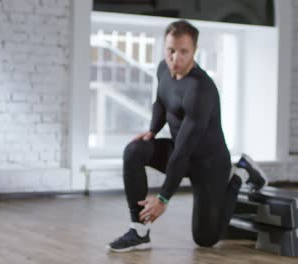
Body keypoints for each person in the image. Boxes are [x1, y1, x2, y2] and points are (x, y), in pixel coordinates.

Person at [107, 20, 267, 252]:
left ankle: (241, 172)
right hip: (181, 153)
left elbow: (183, 151)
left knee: (205, 239)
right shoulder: (163, 69)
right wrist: (152, 130)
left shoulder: (200, 90)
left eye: (184, 52)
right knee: (134, 150)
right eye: (171, 51)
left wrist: (163, 198)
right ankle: (139, 232)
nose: (176, 58)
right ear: (165, 48)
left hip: (208, 164)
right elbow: (161, 102)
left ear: (194, 51)